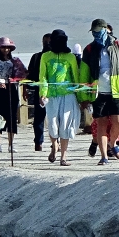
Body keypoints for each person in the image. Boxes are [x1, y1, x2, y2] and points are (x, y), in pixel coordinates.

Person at [80, 19, 119, 166]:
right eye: (94, 32)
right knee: (101, 124)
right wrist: (84, 95)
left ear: (105, 30)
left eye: (99, 31)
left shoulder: (117, 45)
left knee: (118, 123)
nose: (96, 35)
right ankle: (103, 156)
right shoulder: (89, 49)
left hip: (116, 91)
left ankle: (113, 142)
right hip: (98, 92)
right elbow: (84, 74)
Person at [39, 30, 81, 166]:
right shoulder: (45, 56)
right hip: (51, 96)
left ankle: (63, 156)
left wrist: (79, 94)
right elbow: (43, 76)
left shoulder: (70, 57)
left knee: (66, 125)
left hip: (67, 95)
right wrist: (43, 93)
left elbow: (75, 76)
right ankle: (54, 145)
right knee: (52, 124)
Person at [0, 37, 26, 152]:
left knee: (12, 117)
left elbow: (23, 72)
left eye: (8, 47)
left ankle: (11, 144)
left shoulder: (15, 61)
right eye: (3, 47)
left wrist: (16, 78)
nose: (6, 50)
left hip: (11, 89)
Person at [26, 33, 51, 152]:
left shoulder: (55, 57)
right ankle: (38, 142)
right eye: (45, 42)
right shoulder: (36, 57)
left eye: (48, 42)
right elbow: (29, 75)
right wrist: (26, 89)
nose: (47, 44)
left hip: (54, 91)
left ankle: (55, 142)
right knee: (39, 119)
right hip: (39, 91)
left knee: (54, 118)